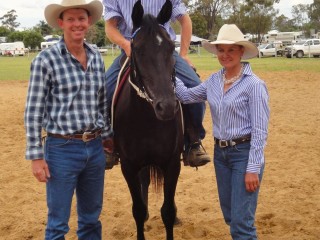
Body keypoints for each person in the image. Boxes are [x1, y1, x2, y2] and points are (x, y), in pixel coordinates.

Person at [24, 0, 113, 239]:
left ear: (89, 22)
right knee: (57, 224)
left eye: (81, 18)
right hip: (61, 148)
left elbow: (102, 103)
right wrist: (35, 156)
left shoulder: (96, 57)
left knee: (91, 219)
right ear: (61, 23)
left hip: (94, 148)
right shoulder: (45, 60)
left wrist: (107, 137)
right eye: (71, 19)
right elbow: (33, 110)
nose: (77, 24)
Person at [175, 24, 270, 239]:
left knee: (241, 224)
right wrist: (169, 73)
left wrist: (253, 168)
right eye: (221, 50)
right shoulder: (215, 81)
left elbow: (260, 131)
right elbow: (187, 96)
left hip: (244, 156)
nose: (225, 55)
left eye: (231, 50)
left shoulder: (254, 85)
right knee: (230, 216)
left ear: (241, 51)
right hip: (221, 155)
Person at [103, 0, 210, 167]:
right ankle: (109, 145)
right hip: (132, 50)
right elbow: (110, 26)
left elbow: (185, 20)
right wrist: (126, 44)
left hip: (162, 50)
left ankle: (193, 141)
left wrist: (183, 54)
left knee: (195, 88)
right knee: (104, 93)